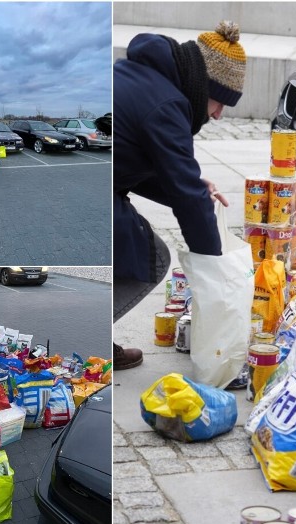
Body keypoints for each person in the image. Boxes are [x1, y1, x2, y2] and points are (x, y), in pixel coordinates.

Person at [112, 21, 245, 370]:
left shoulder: (146, 78)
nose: (218, 114)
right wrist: (213, 268)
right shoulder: (168, 105)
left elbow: (142, 166)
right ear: (206, 87)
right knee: (151, 255)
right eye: (221, 102)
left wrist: (194, 187)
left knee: (130, 242)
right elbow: (187, 199)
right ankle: (94, 332)